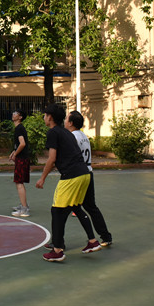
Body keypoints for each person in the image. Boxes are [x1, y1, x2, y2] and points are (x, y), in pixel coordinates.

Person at [35, 103, 100, 262]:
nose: (44, 118)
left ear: (50, 117)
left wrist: (42, 178)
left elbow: (52, 159)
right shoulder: (67, 133)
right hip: (85, 174)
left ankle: (57, 250)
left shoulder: (53, 132)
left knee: (57, 211)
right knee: (76, 207)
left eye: (45, 115)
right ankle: (92, 241)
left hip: (72, 176)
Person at [66, 110, 113, 247]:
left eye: (66, 119)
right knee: (91, 207)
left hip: (77, 175)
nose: (64, 121)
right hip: (88, 173)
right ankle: (106, 236)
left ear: (71, 123)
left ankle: (58, 243)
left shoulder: (72, 137)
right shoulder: (84, 136)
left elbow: (70, 156)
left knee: (62, 208)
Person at [9, 110, 31, 217]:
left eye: (16, 113)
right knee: (19, 182)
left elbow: (22, 144)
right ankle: (23, 205)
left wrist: (16, 154)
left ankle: (24, 209)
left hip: (22, 159)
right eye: (13, 112)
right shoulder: (18, 128)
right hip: (22, 158)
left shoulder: (19, 128)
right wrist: (14, 152)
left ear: (20, 117)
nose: (13, 114)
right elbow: (19, 144)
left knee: (19, 183)